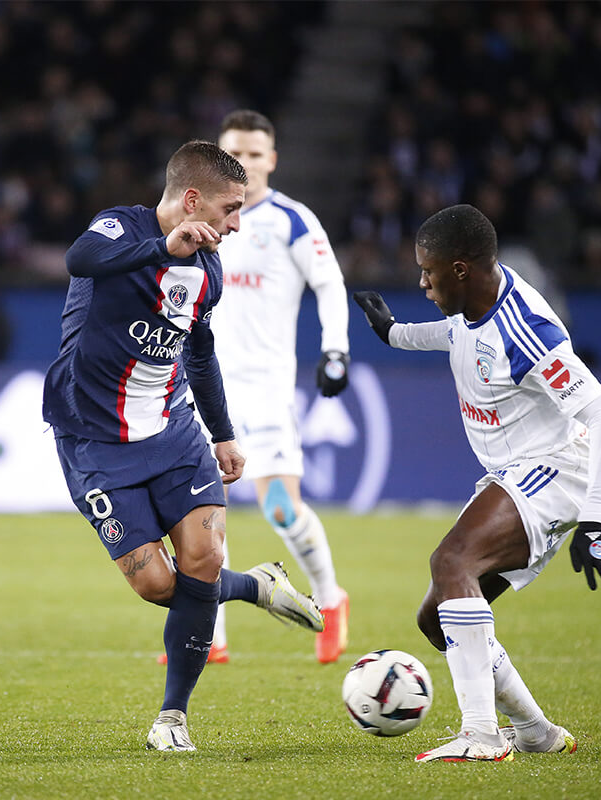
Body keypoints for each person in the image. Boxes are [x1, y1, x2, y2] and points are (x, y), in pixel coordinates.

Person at [42, 140, 325, 753]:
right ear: (192, 200)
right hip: (93, 440)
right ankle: (256, 587)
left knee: (201, 560)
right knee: (158, 586)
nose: (237, 223)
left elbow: (199, 351)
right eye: (230, 208)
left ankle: (172, 719)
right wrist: (160, 250)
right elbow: (79, 258)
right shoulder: (122, 227)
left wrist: (222, 434)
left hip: (174, 431)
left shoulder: (209, 271)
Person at [353, 204, 601, 763]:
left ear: (460, 269)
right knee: (436, 618)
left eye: (428, 272)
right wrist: (393, 333)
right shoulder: (475, 303)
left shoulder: (528, 331)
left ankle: (481, 736)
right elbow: (453, 335)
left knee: (451, 562)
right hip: (513, 475)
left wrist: (596, 520)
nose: (422, 283)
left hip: (556, 468)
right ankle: (534, 731)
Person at [198, 109, 352, 665]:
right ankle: (208, 634)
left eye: (256, 153)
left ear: (272, 160)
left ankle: (331, 600)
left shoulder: (293, 220)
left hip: (265, 391)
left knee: (282, 510)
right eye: (234, 151)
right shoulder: (196, 217)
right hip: (201, 388)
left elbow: (330, 287)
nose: (245, 162)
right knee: (201, 512)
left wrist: (336, 349)